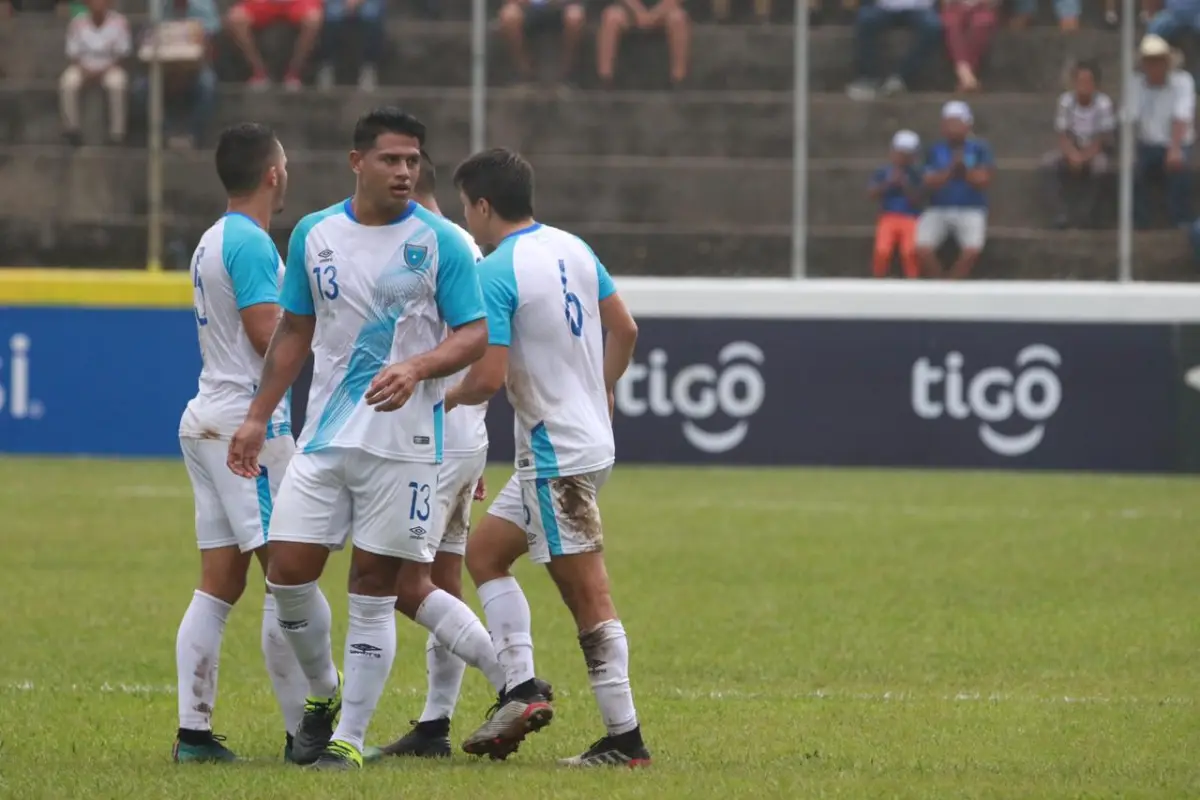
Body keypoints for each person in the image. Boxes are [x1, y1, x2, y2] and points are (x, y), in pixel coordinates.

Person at [226, 107, 506, 771]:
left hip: (404, 445)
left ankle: (349, 738)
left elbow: (473, 333)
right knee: (289, 575)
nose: (404, 171)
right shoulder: (314, 234)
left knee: (374, 588)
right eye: (390, 159)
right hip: (325, 437)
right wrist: (259, 414)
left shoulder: (440, 241)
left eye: (412, 160)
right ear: (358, 162)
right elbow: (293, 330)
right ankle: (323, 694)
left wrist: (417, 367)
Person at [446, 148, 648, 766]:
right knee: (485, 554)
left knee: (589, 596)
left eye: (467, 209)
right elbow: (627, 329)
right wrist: (601, 390)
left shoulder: (495, 268)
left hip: (555, 454)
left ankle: (626, 740)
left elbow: (487, 377)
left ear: (482, 206)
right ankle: (522, 691)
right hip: (582, 443)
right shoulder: (574, 247)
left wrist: (429, 396)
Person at [174, 123, 308, 763]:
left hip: (207, 419)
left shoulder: (210, 240)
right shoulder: (251, 244)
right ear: (273, 174)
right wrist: (320, 325)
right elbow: (267, 336)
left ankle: (194, 736)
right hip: (245, 431)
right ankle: (300, 738)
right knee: (289, 580)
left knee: (218, 584)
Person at [916, 100, 994, 280]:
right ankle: (939, 284)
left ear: (968, 125)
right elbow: (928, 181)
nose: (952, 127)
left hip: (971, 208)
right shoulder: (934, 150)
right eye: (948, 123)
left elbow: (984, 180)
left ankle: (953, 284)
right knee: (922, 246)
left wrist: (965, 172)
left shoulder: (980, 148)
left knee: (972, 249)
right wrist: (950, 171)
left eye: (957, 122)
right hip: (938, 208)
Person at [1041, 60, 1115, 229]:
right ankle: (1059, 213)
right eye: (1080, 81)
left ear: (1096, 84)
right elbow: (1062, 134)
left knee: (1101, 168)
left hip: (1095, 150)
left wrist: (1085, 157)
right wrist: (1073, 155)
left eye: (1088, 82)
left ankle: (1088, 215)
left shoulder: (1104, 104)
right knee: (1047, 164)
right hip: (1072, 147)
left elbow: (1103, 138)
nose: (1083, 86)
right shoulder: (1065, 101)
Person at [869, 129, 923, 279]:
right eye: (900, 153)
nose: (902, 158)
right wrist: (888, 184)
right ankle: (878, 279)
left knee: (909, 251)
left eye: (907, 154)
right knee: (882, 250)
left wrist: (905, 185)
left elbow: (918, 199)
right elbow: (872, 194)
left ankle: (913, 280)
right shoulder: (883, 171)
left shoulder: (917, 173)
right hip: (888, 216)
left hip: (910, 217)